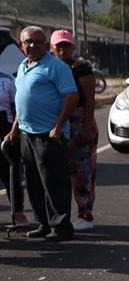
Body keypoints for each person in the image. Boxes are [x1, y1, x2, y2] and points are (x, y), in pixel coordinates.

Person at [5, 26, 78, 241]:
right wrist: (15, 129)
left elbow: (71, 97)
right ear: (21, 45)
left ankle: (61, 226)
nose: (33, 45)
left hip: (50, 134)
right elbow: (22, 101)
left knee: (54, 181)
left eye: (38, 41)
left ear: (46, 45)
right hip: (27, 133)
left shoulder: (56, 67)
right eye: (28, 42)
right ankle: (43, 224)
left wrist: (58, 126)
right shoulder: (23, 65)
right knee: (34, 181)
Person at [50, 30, 98, 232]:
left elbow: (89, 100)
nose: (62, 49)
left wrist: (86, 128)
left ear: (73, 47)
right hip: (56, 124)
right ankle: (59, 215)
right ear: (52, 47)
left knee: (82, 173)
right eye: (58, 46)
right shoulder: (50, 66)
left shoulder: (81, 68)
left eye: (66, 45)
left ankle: (85, 214)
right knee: (58, 173)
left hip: (79, 125)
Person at [0, 68, 27, 226]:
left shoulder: (8, 80)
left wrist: (14, 132)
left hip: (6, 129)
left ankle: (18, 212)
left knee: (10, 172)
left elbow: (17, 108)